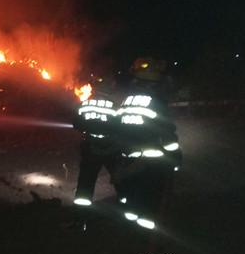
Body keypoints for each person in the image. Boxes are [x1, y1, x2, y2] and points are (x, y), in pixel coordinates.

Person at [73, 57, 181, 230]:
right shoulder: (154, 103)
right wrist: (175, 156)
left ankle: (87, 221)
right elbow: (167, 132)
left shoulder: (126, 102)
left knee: (92, 185)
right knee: (142, 192)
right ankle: (144, 227)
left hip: (114, 154)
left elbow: (79, 124)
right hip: (149, 160)